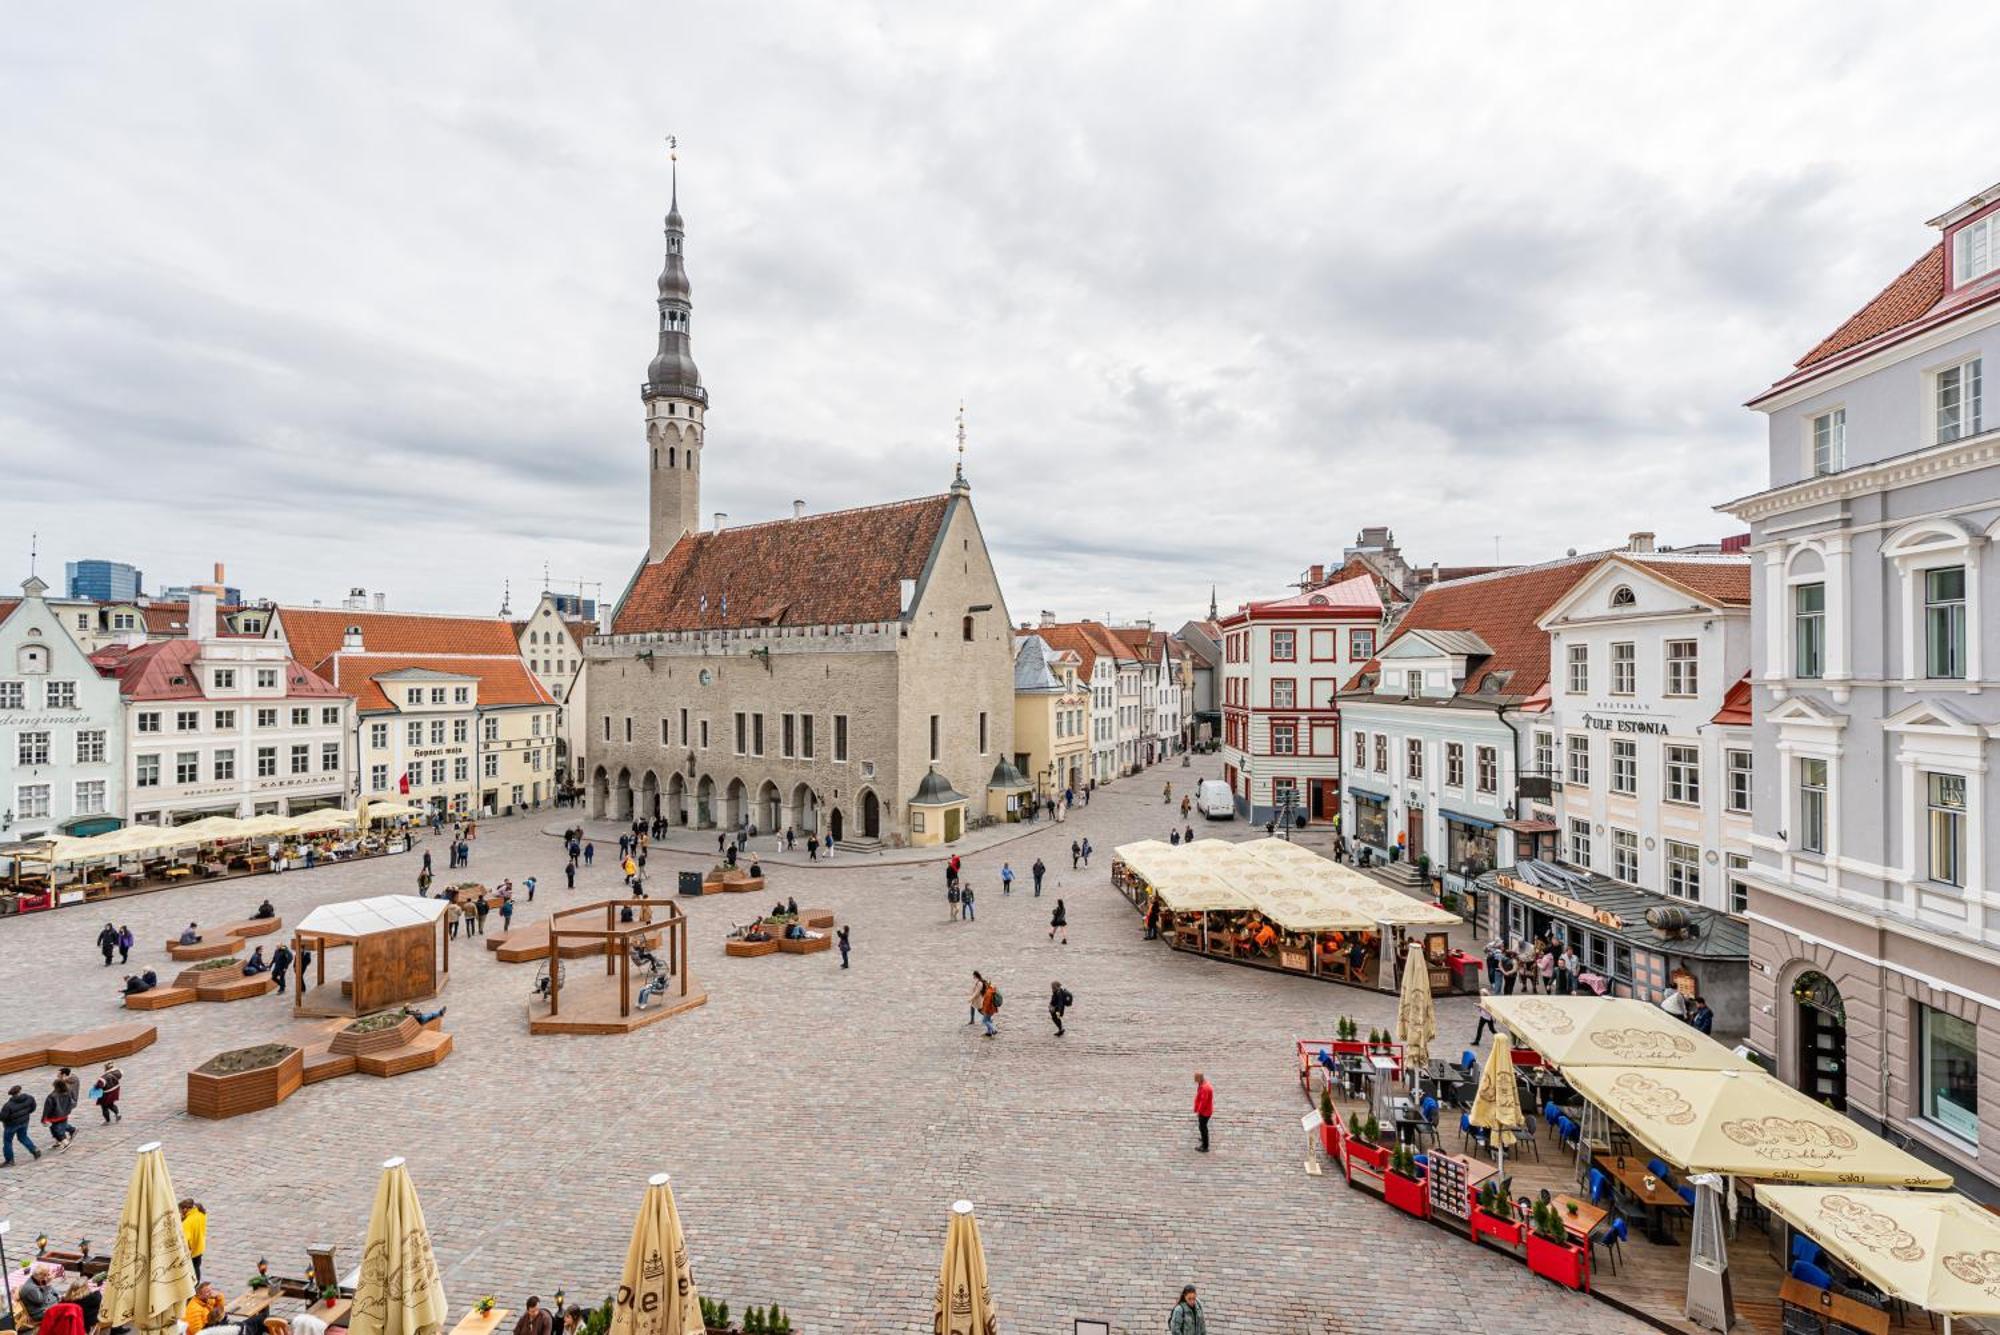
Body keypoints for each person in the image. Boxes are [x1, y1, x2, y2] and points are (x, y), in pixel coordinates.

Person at [2, 1083, 40, 1163]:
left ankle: (9, 1160)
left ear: (12, 1095)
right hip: (25, 1121)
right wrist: (26, 1114)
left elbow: (2, 1117)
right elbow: (33, 1108)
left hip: (11, 1125)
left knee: (7, 1141)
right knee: (23, 1137)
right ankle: (34, 1150)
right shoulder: (29, 1098)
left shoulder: (8, 1106)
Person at [41, 1077, 74, 1150]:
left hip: (54, 1117)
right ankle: (59, 1142)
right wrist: (68, 1111)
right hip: (64, 1115)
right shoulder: (67, 1092)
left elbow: (47, 1109)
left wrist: (43, 1119)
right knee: (58, 1128)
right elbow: (70, 1103)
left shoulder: (52, 1096)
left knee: (56, 1130)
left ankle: (66, 1143)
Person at [181, 1198, 207, 1280]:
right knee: (197, 1267)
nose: (181, 1212)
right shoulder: (201, 1214)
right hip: (200, 1247)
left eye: (181, 1210)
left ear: (185, 1209)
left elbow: (184, 1239)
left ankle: (194, 1285)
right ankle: (198, 1282)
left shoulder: (187, 1222)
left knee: (191, 1270)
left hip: (192, 1251)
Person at [1192, 1072, 1215, 1152]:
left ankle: (1205, 1146)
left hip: (1205, 1112)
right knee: (1202, 1126)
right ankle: (1203, 1139)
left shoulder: (1205, 1088)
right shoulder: (1204, 1084)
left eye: (1196, 1078)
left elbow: (1203, 1102)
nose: (1195, 1080)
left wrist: (1199, 1111)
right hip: (1206, 1110)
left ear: (1199, 1078)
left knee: (1202, 1127)